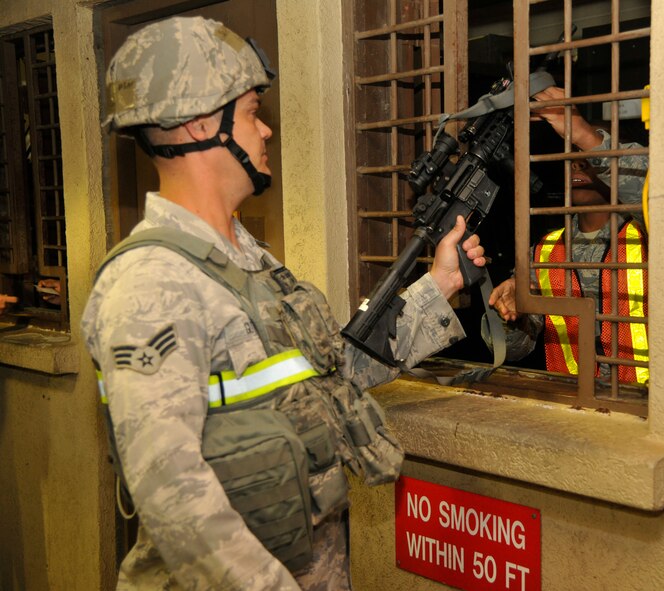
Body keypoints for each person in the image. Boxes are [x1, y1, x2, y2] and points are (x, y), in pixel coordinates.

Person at [81, 16, 485, 591]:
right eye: (251, 113)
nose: (265, 131)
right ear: (200, 124)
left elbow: (330, 381)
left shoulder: (250, 261)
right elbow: (172, 497)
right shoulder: (150, 285)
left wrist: (440, 285)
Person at [488, 86, 649, 382]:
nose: (577, 160)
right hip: (571, 406)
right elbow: (515, 351)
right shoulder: (545, 252)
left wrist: (585, 136)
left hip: (644, 406)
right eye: (572, 152)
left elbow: (654, 190)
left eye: (590, 154)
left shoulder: (650, 235)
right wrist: (511, 316)